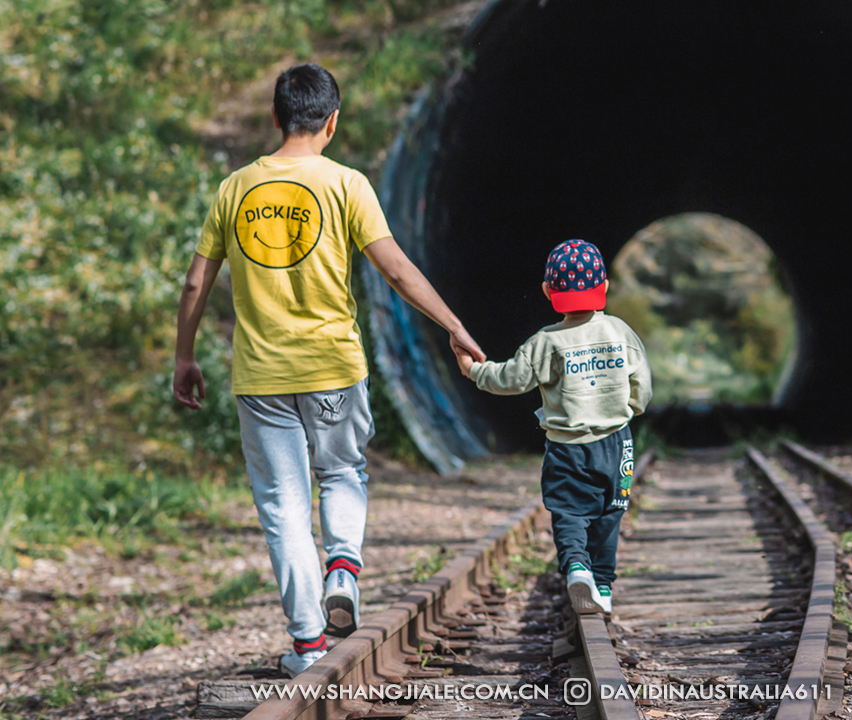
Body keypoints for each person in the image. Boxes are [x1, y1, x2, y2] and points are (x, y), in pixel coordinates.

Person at [172, 63, 485, 677]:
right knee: (342, 471)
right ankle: (343, 569)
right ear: (332, 121)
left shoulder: (235, 188)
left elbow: (195, 279)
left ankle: (308, 643)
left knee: (284, 507)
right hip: (334, 367)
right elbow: (395, 269)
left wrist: (184, 356)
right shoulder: (347, 184)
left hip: (262, 377)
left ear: (275, 117)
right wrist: (454, 325)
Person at [454, 240, 651, 614]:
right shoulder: (620, 333)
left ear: (548, 291)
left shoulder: (546, 342)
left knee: (570, 512)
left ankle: (578, 567)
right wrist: (630, 408)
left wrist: (473, 370)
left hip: (566, 448)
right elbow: (642, 387)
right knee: (611, 513)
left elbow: (510, 379)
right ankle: (604, 588)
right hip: (617, 445)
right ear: (604, 286)